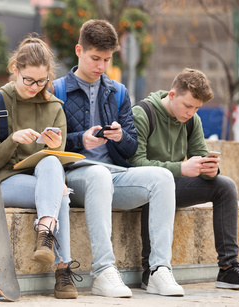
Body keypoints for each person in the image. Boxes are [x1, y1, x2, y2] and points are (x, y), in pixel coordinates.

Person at [54, 19, 184, 297]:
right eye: (95, 58)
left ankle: (160, 269)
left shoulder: (119, 92)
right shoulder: (57, 91)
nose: (101, 66)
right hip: (75, 177)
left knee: (162, 177)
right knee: (98, 174)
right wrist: (81, 139)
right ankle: (103, 271)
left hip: (114, 175)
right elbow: (50, 144)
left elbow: (132, 148)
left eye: (107, 59)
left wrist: (120, 136)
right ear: (79, 50)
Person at [129, 68, 239, 291]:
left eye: (197, 108)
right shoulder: (142, 113)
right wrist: (180, 167)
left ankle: (228, 269)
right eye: (188, 106)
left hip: (172, 184)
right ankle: (150, 270)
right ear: (171, 95)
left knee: (225, 185)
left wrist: (209, 170)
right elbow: (134, 163)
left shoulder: (192, 120)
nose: (191, 112)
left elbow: (199, 154)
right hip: (141, 185)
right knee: (160, 183)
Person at [0, 36, 80, 299]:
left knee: (51, 163)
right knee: (60, 195)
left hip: (42, 179)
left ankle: (45, 231)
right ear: (15, 69)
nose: (35, 87)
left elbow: (57, 161)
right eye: (29, 80)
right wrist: (12, 140)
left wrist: (55, 147)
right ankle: (63, 270)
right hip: (3, 180)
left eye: (42, 81)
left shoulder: (55, 107)